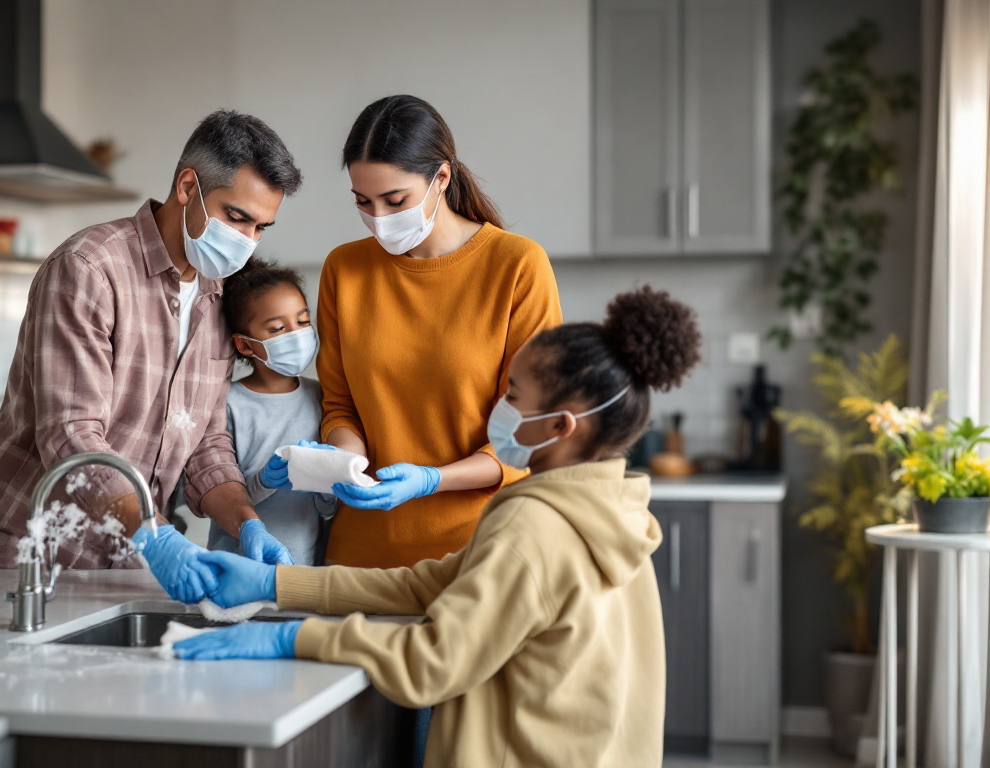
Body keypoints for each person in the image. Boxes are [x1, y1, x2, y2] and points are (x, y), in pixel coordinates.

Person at [169, 286, 704, 768]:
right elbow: (429, 584)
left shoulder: (534, 525)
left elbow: (434, 661)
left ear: (561, 426)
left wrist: (296, 638)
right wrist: (275, 585)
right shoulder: (610, 509)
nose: (501, 406)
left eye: (514, 395)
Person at [0, 111, 303, 600]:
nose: (246, 242)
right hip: (33, 563)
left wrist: (248, 523)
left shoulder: (218, 293)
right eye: (236, 217)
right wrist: (157, 536)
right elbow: (71, 437)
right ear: (187, 186)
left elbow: (206, 441)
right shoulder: (89, 269)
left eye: (261, 228)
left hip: (129, 565)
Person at [315, 94, 563, 568]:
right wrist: (341, 462)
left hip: (480, 556)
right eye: (363, 202)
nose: (379, 219)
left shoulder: (517, 266)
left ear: (441, 179)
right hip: (361, 558)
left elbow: (530, 432)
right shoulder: (343, 269)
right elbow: (340, 405)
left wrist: (432, 479)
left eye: (395, 200)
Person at [208, 258, 337, 566]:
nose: (296, 334)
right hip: (239, 565)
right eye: (278, 328)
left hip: (305, 568)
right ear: (244, 345)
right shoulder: (228, 404)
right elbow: (215, 496)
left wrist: (331, 488)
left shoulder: (322, 397)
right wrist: (264, 480)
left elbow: (324, 510)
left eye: (303, 322)